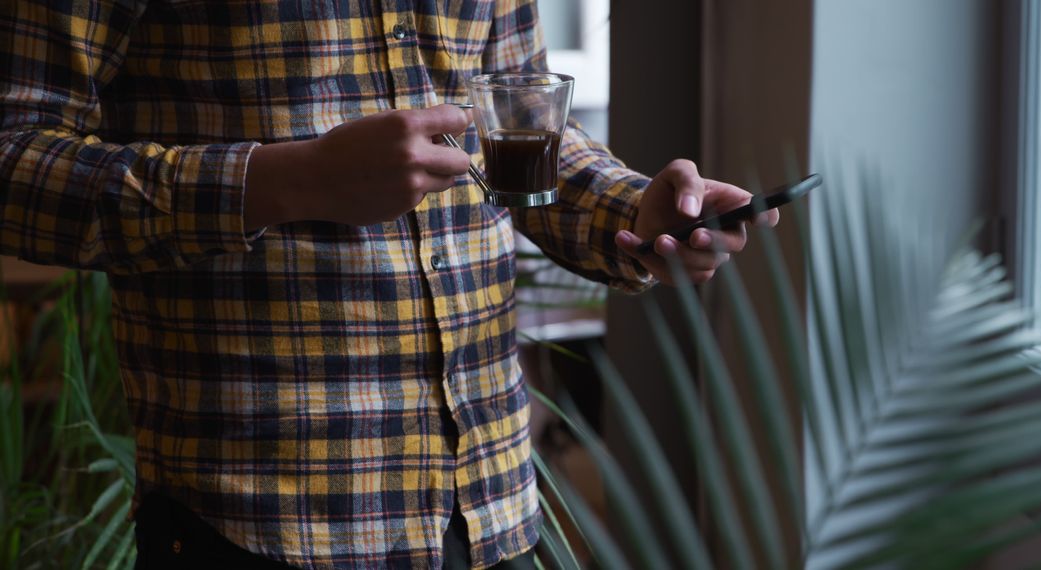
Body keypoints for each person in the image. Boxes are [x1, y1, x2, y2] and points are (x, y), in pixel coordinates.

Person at [0, 1, 778, 568]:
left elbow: (519, 128)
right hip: (262, 515)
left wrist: (638, 212)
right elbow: (12, 161)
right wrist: (288, 181)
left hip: (488, 506)